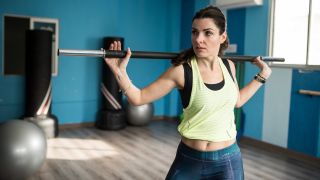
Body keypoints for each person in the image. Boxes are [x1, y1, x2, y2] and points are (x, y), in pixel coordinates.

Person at [104, 5, 271, 180]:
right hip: (190, 160)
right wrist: (119, 72)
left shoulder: (229, 66)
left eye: (207, 33)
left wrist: (262, 75)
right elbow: (138, 98)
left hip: (228, 160)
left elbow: (237, 101)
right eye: (194, 32)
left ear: (222, 37)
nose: (198, 39)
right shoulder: (182, 71)